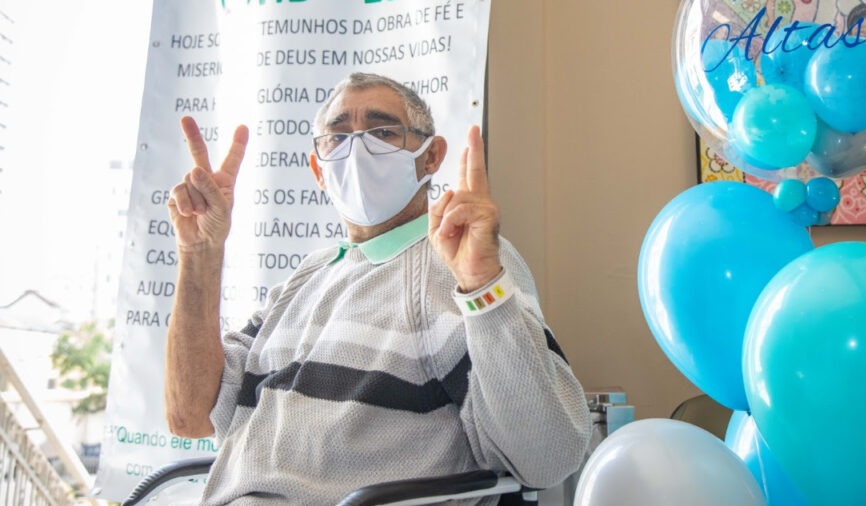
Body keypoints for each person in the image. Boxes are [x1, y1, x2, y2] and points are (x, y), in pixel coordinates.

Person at [163, 72, 592, 505]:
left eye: (383, 131)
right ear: (318, 169)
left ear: (431, 156)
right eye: (338, 136)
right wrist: (199, 252)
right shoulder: (304, 281)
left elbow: (546, 457)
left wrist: (483, 287)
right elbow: (191, 416)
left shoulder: (456, 266)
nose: (357, 149)